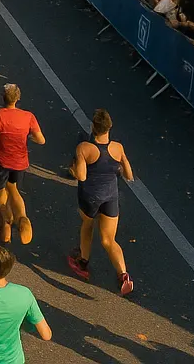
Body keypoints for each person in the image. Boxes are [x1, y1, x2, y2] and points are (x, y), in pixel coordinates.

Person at [67, 109, 135, 295]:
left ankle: (83, 261)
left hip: (90, 196)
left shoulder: (84, 148)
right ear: (109, 128)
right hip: (111, 197)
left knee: (88, 224)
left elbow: (81, 176)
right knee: (108, 239)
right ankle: (123, 274)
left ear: (93, 127)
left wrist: (73, 169)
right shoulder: (118, 148)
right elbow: (129, 175)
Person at [0, 84, 45, 246]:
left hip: (2, 161)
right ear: (18, 99)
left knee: (0, 194)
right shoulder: (28, 117)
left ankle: (4, 227)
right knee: (13, 188)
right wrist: (27, 137)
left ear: (2, 98)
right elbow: (41, 140)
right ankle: (22, 217)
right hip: (20, 162)